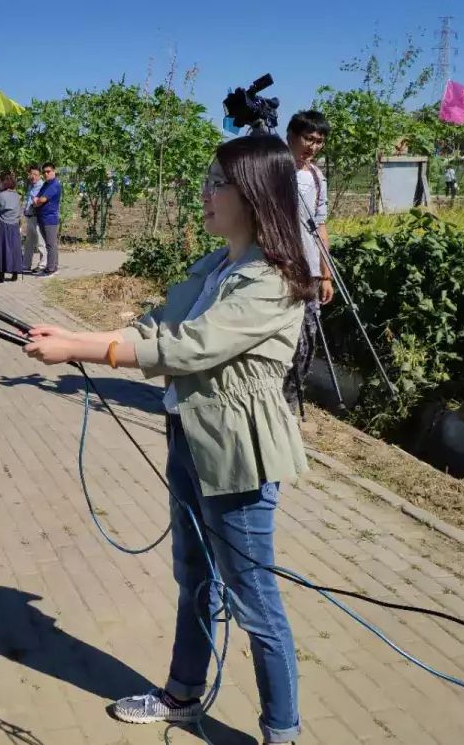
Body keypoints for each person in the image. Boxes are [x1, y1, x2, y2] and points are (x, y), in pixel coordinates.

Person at [23, 134, 310, 745]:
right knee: (194, 577)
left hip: (239, 455)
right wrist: (73, 333)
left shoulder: (273, 279)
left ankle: (281, 732)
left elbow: (187, 348)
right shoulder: (217, 267)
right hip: (188, 435)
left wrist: (78, 349)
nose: (204, 194)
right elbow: (156, 326)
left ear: (256, 193)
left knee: (254, 598)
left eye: (217, 184)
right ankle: (181, 696)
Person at [283, 110, 333, 416]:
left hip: (310, 271)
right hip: (280, 266)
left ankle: (289, 404)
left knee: (305, 341)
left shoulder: (316, 176)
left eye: (319, 141)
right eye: (308, 138)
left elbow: (321, 224)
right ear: (290, 135)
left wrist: (326, 274)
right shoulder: (275, 169)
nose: (313, 146)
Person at [0, 171, 23, 283]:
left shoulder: (0, 196)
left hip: (2, 225)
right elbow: (19, 211)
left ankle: (1, 274)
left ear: (3, 182)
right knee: (14, 249)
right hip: (14, 225)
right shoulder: (17, 195)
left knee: (2, 249)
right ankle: (15, 273)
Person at [33, 162, 62, 276]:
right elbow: (37, 198)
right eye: (44, 172)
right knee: (49, 244)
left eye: (48, 171)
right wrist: (37, 201)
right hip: (43, 218)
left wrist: (37, 201)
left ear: (54, 171)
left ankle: (51, 268)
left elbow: (42, 199)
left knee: (51, 244)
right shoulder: (46, 184)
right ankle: (53, 266)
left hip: (50, 219)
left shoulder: (54, 185)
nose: (46, 174)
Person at [22, 165, 46, 273]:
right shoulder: (31, 186)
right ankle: (26, 264)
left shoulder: (42, 186)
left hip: (37, 217)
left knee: (40, 242)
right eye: (31, 174)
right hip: (30, 217)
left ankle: (42, 265)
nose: (33, 176)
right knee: (29, 243)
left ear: (40, 175)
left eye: (35, 174)